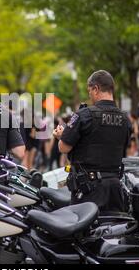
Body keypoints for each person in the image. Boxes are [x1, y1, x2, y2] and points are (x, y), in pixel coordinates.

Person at [53, 70, 130, 212]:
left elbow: (63, 148)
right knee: (114, 229)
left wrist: (61, 137)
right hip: (115, 187)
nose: (89, 95)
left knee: (83, 232)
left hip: (88, 189)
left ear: (96, 89)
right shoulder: (125, 119)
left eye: (89, 91)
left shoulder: (85, 115)